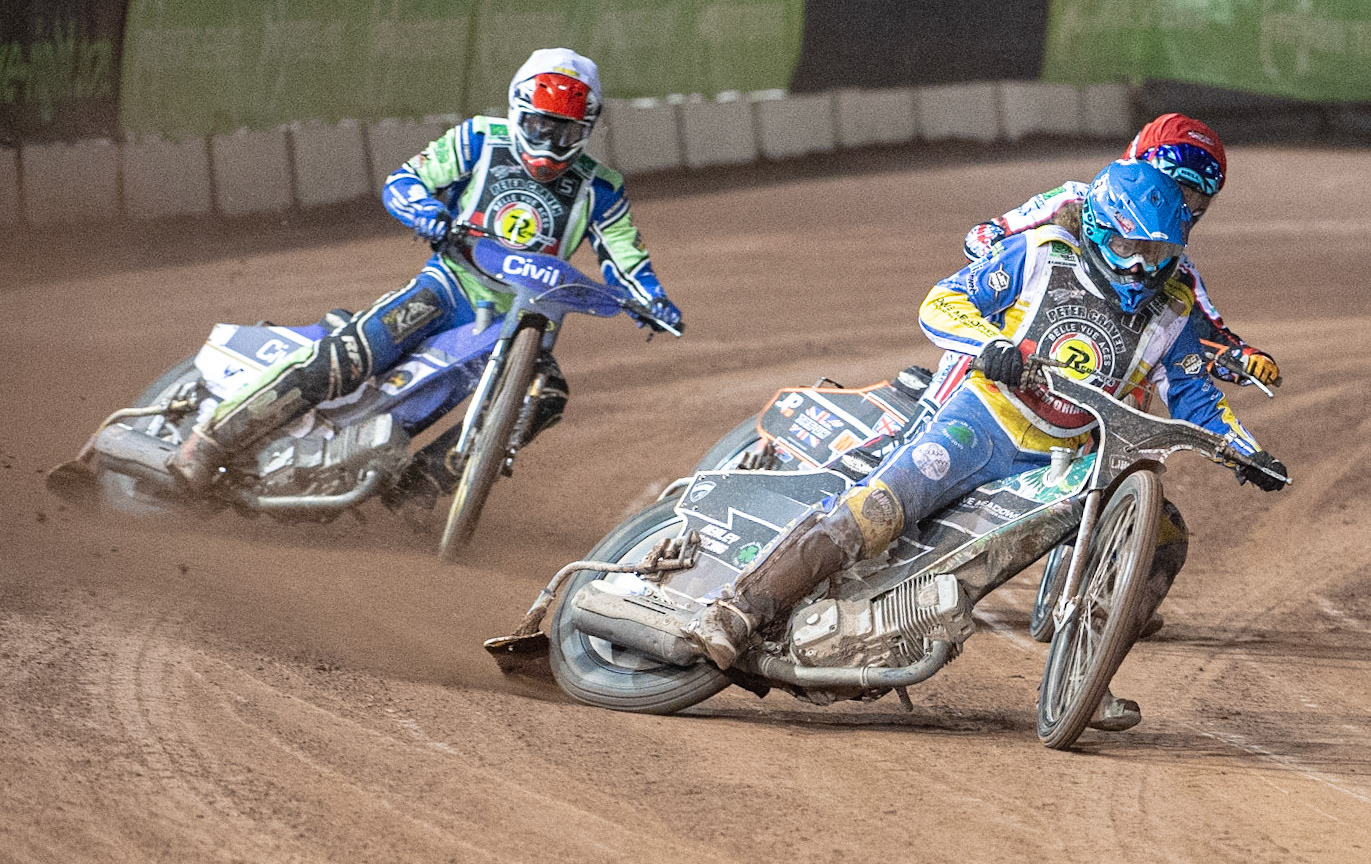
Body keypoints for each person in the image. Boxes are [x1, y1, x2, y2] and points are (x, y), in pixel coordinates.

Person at [683, 160, 1286, 731]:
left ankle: (1087, 670)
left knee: (1161, 539)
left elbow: (1194, 396)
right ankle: (738, 610)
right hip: (985, 422)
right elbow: (943, 300)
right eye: (1135, 247)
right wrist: (988, 343)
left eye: (1161, 251)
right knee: (878, 511)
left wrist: (1245, 451)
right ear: (1102, 229)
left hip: (1074, 457)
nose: (1146, 264)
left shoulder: (1175, 308)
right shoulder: (1042, 253)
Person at [169, 48, 681, 511]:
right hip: (449, 286)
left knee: (546, 396)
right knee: (353, 356)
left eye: (565, 132)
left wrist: (652, 300)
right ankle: (210, 441)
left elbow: (625, 256)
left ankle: (414, 496)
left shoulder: (601, 187)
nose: (549, 142)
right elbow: (405, 180)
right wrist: (428, 214)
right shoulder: (481, 138)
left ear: (586, 131)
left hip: (524, 319)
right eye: (540, 125)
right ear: (517, 111)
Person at [962, 113, 1279, 390]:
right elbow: (979, 238)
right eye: (1178, 188)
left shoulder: (1175, 269)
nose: (1183, 205)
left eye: (1199, 199)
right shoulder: (1075, 201)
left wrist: (1244, 360)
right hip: (1012, 352)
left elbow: (1207, 336)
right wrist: (1012, 265)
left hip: (1097, 377)